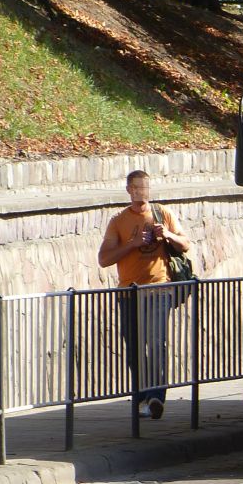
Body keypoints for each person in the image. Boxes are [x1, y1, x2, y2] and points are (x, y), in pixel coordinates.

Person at [97, 170, 190, 419]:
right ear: (129, 190)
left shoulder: (163, 213)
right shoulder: (118, 222)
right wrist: (133, 243)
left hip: (159, 289)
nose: (142, 192)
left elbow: (186, 244)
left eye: (145, 188)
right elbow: (104, 259)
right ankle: (141, 399)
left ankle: (156, 397)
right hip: (129, 293)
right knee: (135, 348)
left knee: (156, 343)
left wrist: (167, 235)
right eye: (137, 188)